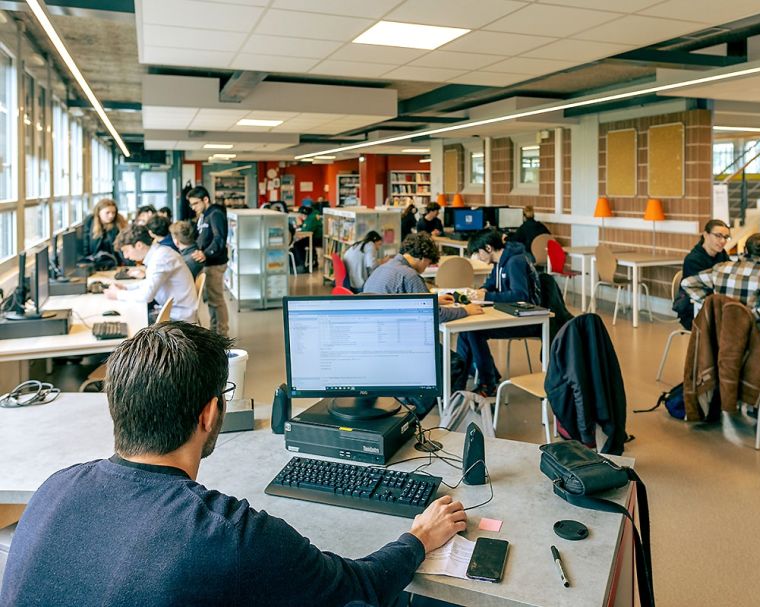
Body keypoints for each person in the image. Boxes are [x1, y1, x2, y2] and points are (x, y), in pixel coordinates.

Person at [0, 322, 467, 606]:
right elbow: (358, 587)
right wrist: (419, 537)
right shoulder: (231, 535)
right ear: (209, 413)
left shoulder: (53, 490)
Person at [681, 233, 760, 425]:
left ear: (744, 251)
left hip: (723, 346)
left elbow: (687, 283)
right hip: (755, 349)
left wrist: (713, 306)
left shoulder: (722, 268)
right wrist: (755, 314)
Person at [456, 229, 542, 397]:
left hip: (526, 320)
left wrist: (487, 296)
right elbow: (491, 283)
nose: (478, 257)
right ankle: (460, 383)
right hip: (509, 315)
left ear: (488, 248)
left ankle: (488, 383)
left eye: (478, 252)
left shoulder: (514, 262)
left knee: (474, 331)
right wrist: (483, 290)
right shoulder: (500, 261)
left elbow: (520, 295)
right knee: (466, 331)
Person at [363, 233, 482, 324]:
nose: (426, 268)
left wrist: (434, 300)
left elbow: (400, 299)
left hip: (375, 328)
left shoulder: (383, 267)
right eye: (428, 264)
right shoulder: (410, 275)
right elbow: (435, 314)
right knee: (455, 357)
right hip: (395, 334)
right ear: (423, 259)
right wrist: (466, 310)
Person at [104, 225, 198, 323]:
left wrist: (117, 294)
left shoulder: (161, 258)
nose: (126, 256)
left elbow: (146, 296)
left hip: (179, 319)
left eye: (126, 251)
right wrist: (126, 288)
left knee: (131, 320)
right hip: (176, 312)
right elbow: (149, 283)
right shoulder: (159, 253)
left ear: (139, 245)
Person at [672, 219, 731, 330]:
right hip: (692, 310)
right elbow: (705, 289)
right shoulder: (693, 259)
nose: (723, 241)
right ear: (705, 235)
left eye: (726, 237)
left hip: (714, 305)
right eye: (718, 236)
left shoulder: (722, 255)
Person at [188, 186, 230, 336]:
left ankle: (222, 335)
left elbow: (219, 239)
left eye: (195, 203)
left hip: (215, 264)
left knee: (216, 300)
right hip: (208, 264)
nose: (193, 207)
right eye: (191, 204)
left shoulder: (216, 214)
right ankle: (215, 333)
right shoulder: (204, 214)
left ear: (205, 199)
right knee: (211, 300)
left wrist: (206, 253)